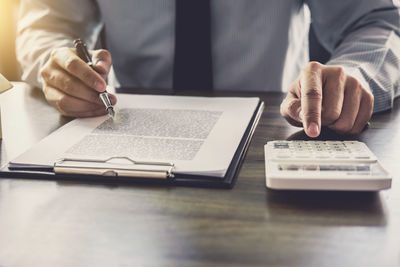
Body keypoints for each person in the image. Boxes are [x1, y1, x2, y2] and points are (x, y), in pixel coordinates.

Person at [16, 0, 400, 138]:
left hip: (275, 135)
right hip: (127, 133)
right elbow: (48, 26)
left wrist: (355, 75)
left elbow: (376, 21)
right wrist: (61, 64)